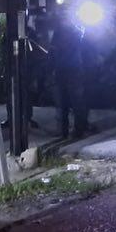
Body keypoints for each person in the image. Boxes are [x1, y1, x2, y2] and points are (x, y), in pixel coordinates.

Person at [49, 8, 89, 138]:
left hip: (73, 70)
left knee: (74, 102)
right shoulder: (61, 31)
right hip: (64, 70)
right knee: (63, 103)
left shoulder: (77, 31)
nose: (63, 20)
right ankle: (65, 131)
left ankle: (77, 130)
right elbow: (53, 51)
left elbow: (55, 50)